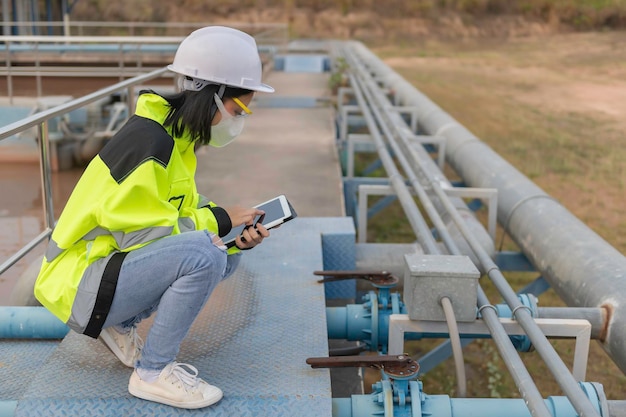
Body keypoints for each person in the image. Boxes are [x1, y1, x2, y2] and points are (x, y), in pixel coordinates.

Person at [33, 26, 274, 409]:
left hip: (101, 273)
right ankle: (153, 373)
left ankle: (119, 324)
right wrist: (220, 222)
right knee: (205, 254)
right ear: (212, 96)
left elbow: (179, 215)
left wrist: (229, 228)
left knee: (225, 253)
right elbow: (149, 238)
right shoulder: (150, 144)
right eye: (239, 109)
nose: (240, 120)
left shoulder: (173, 140)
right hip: (78, 284)